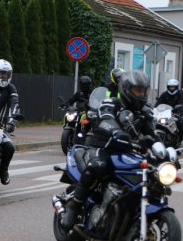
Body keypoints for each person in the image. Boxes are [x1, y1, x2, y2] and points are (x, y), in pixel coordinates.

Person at [61, 70, 158, 230]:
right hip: (100, 146)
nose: (141, 94)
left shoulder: (144, 112)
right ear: (127, 89)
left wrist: (166, 152)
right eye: (137, 90)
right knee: (97, 166)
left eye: (143, 91)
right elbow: (107, 118)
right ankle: (74, 208)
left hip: (126, 151)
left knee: (146, 176)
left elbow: (153, 135)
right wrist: (116, 132)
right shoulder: (112, 103)